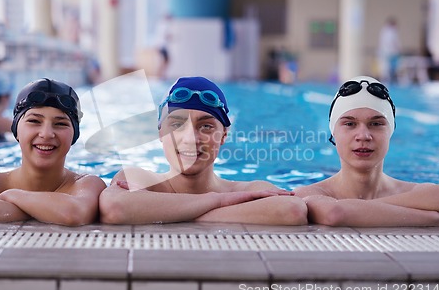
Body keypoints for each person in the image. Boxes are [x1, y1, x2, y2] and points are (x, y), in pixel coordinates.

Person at [99, 76, 308, 225]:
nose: (190, 138)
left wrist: (169, 212)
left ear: (224, 135)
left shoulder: (246, 188)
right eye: (177, 124)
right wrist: (216, 200)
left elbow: (292, 210)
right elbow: (115, 208)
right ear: (160, 132)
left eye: (206, 126)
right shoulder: (139, 178)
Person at [294, 76, 439, 227]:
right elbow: (335, 213)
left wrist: (360, 210)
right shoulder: (309, 193)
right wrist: (433, 219)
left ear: (391, 130)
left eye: (375, 123)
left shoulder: (417, 190)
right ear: (333, 131)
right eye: (349, 124)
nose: (363, 136)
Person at [0, 78, 106, 226]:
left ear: (75, 135)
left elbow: (74, 214)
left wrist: (13, 195)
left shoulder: (87, 183)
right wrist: (48, 211)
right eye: (34, 121)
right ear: (16, 131)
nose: (46, 134)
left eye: (60, 123)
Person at [377, 17, 401, 83]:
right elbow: (392, 44)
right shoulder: (389, 32)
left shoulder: (387, 31)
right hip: (388, 54)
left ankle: (389, 81)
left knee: (389, 71)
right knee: (386, 71)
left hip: (390, 54)